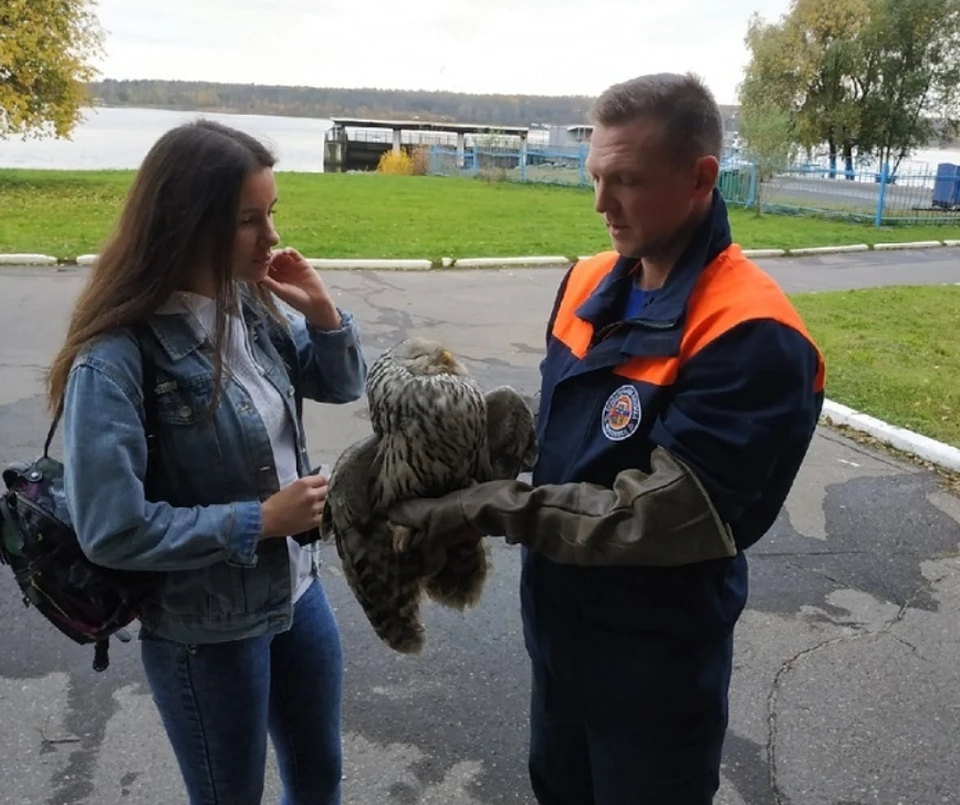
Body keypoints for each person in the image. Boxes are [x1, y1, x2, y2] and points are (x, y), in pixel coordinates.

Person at [389, 73, 825, 804]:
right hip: (558, 639)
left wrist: (483, 508)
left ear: (700, 177)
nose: (600, 203)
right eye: (595, 176)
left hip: (654, 664)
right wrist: (456, 452)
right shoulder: (588, 280)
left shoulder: (751, 330)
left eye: (625, 180)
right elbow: (562, 439)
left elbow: (653, 516)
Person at [46, 119, 367, 805]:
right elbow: (112, 529)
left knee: (319, 779)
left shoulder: (246, 307)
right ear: (189, 224)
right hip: (207, 629)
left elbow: (340, 384)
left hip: (298, 593)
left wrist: (325, 314)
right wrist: (260, 520)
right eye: (249, 220)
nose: (272, 237)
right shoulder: (115, 359)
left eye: (272, 213)